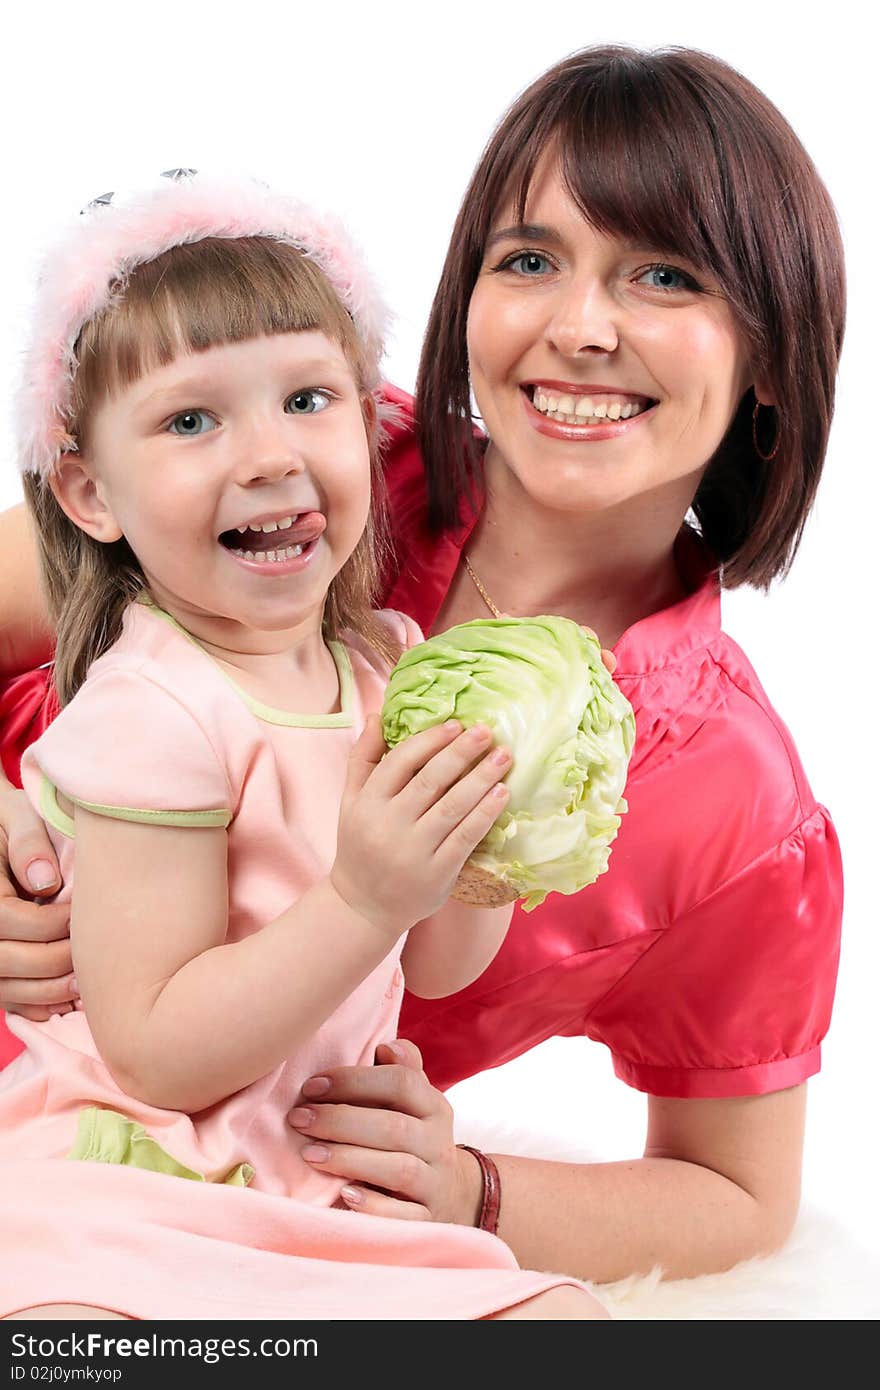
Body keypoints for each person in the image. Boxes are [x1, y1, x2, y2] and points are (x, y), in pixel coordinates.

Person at [0, 44, 845, 1286]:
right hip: (73, 1143)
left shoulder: (740, 804)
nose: (582, 327)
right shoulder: (299, 462)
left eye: (665, 275)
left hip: (264, 1187)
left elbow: (740, 1194)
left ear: (770, 356)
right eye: (529, 260)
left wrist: (472, 1188)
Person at [0, 172, 608, 1321]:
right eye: (192, 419)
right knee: (71, 1338)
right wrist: (367, 896)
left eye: (308, 399)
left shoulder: (385, 666)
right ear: (89, 492)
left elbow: (436, 967)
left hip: (320, 1192)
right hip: (143, 1179)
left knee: (567, 1321)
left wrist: (484, 835)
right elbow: (159, 1054)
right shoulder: (154, 710)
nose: (270, 454)